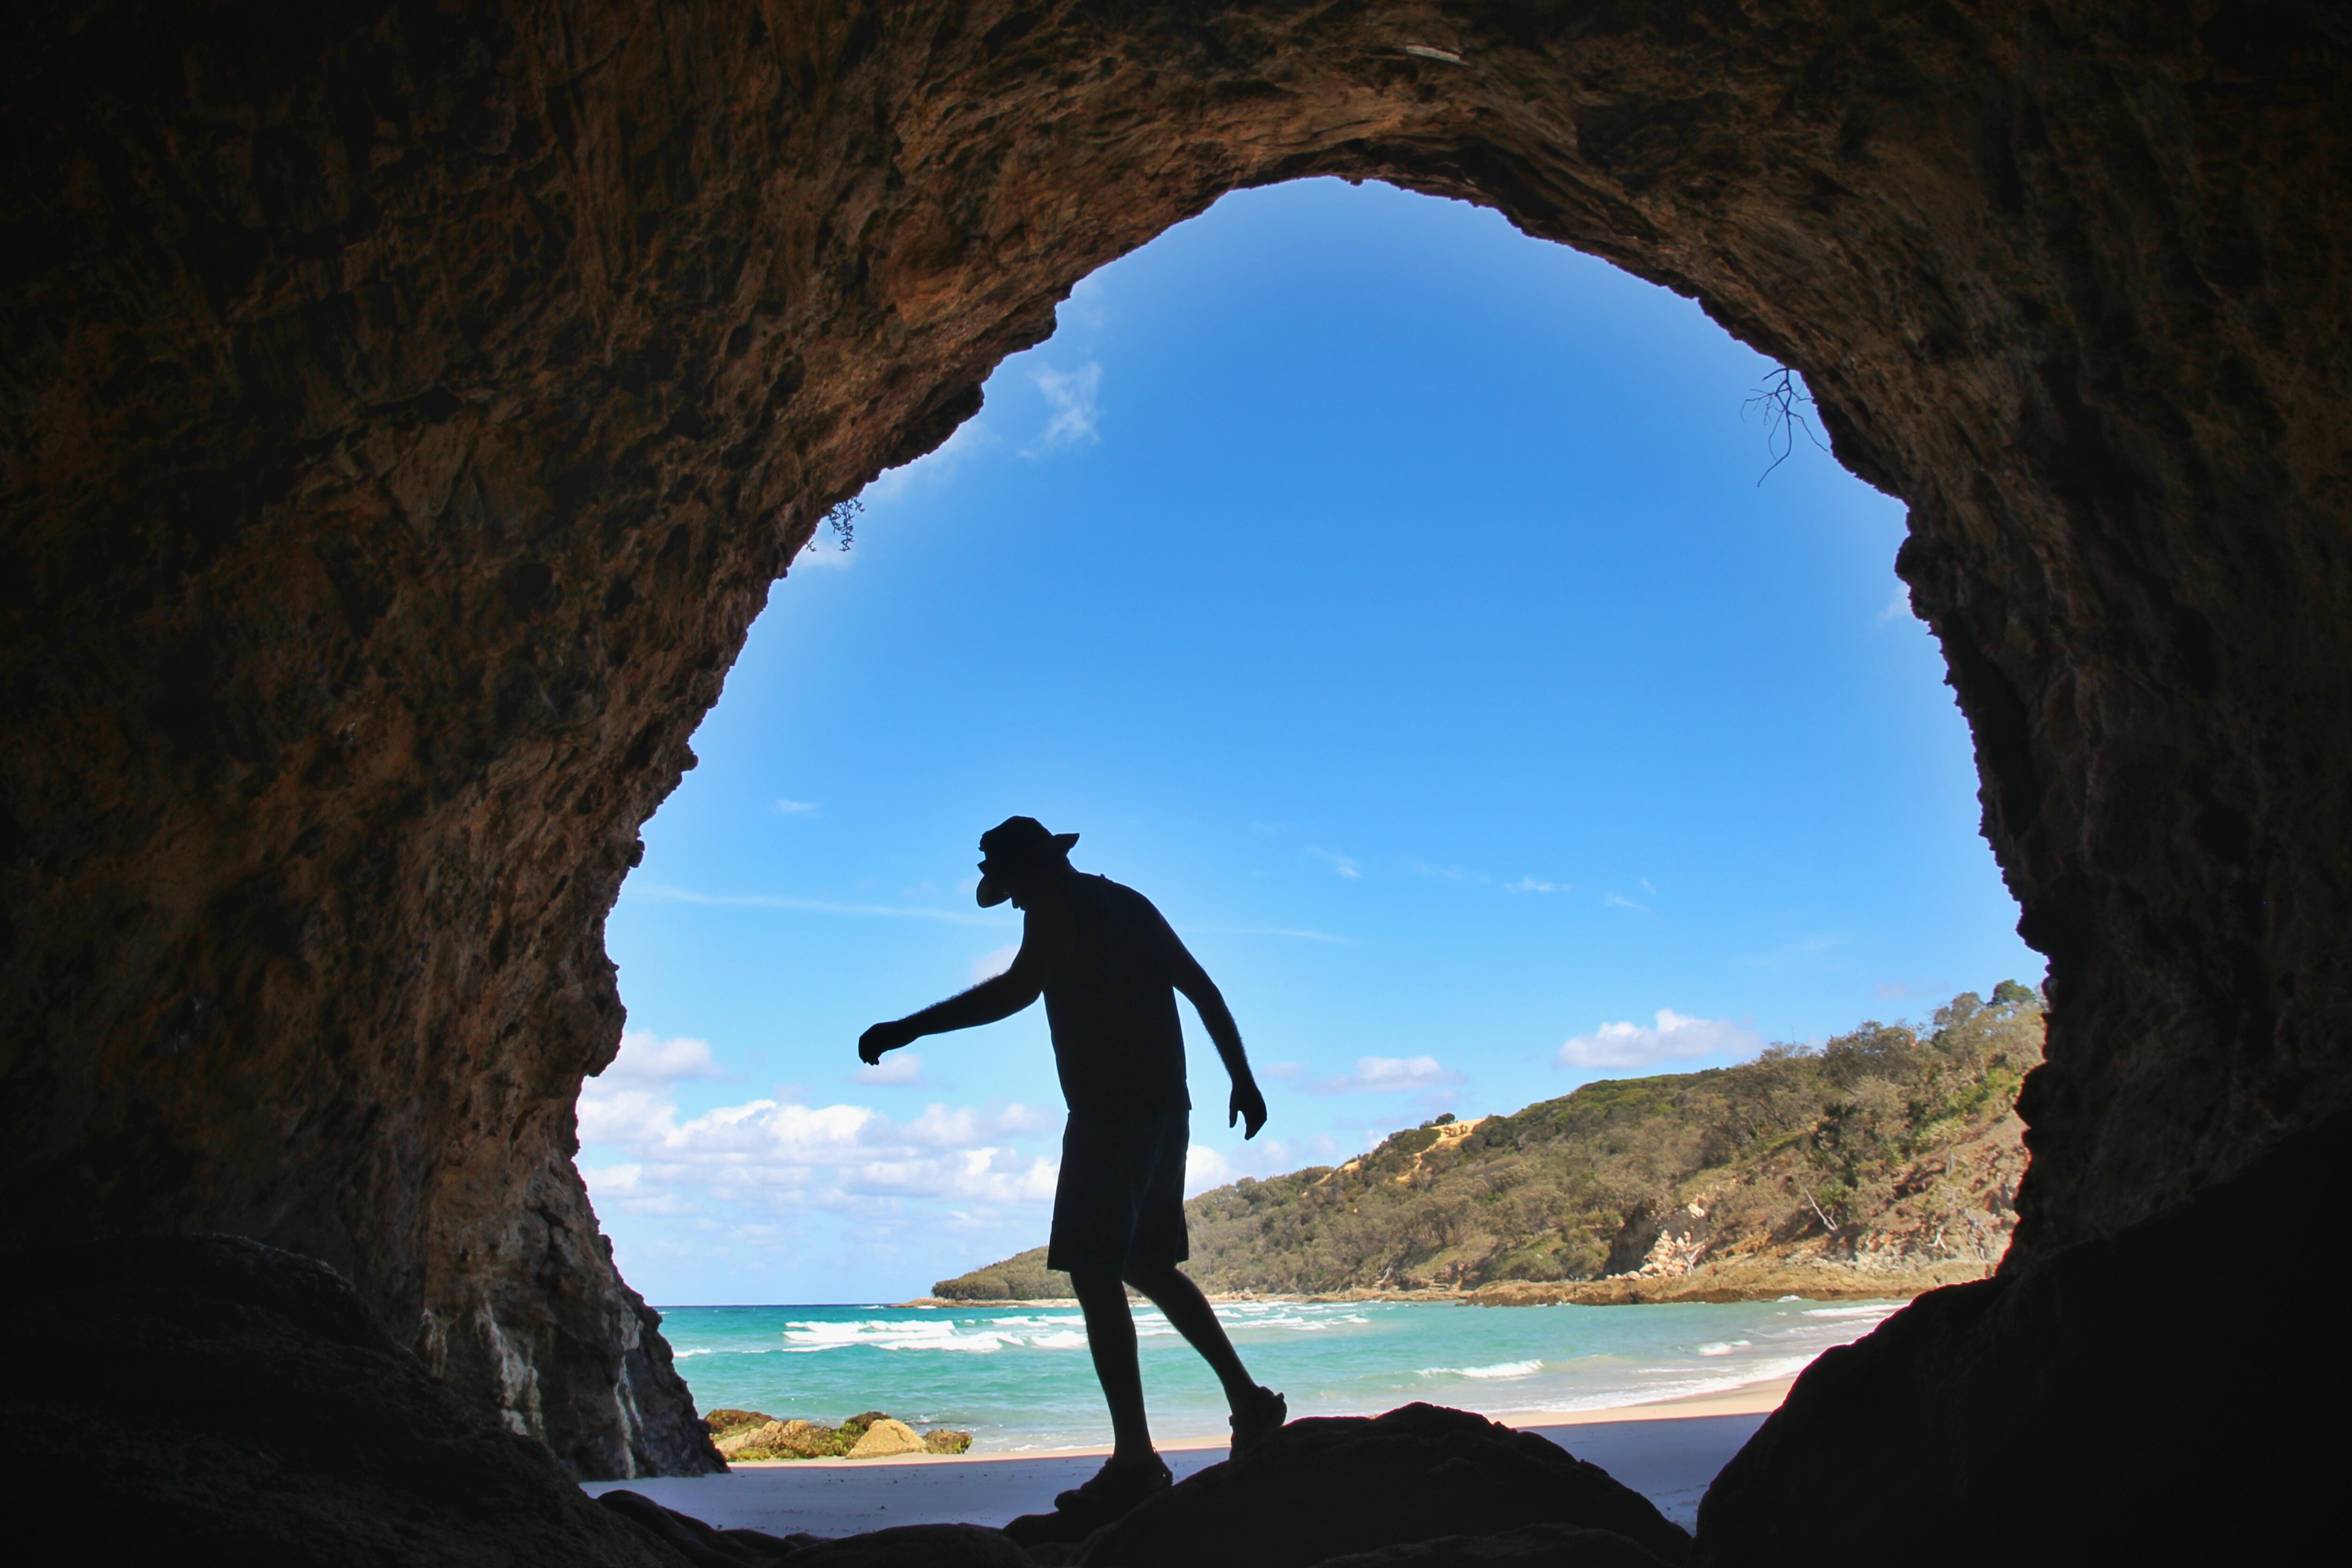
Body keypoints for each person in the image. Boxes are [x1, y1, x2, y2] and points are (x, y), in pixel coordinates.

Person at [859, 815, 1287, 1516]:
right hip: (1164, 1107)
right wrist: (1240, 1077)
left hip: (1110, 1113)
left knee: (1096, 1271)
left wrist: (908, 1028)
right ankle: (1250, 1403)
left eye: (1014, 891)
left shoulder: (1058, 905)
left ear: (1031, 872)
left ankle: (1136, 1459)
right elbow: (1202, 989)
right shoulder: (1128, 901)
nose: (1017, 905)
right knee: (1146, 1265)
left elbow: (1015, 990)